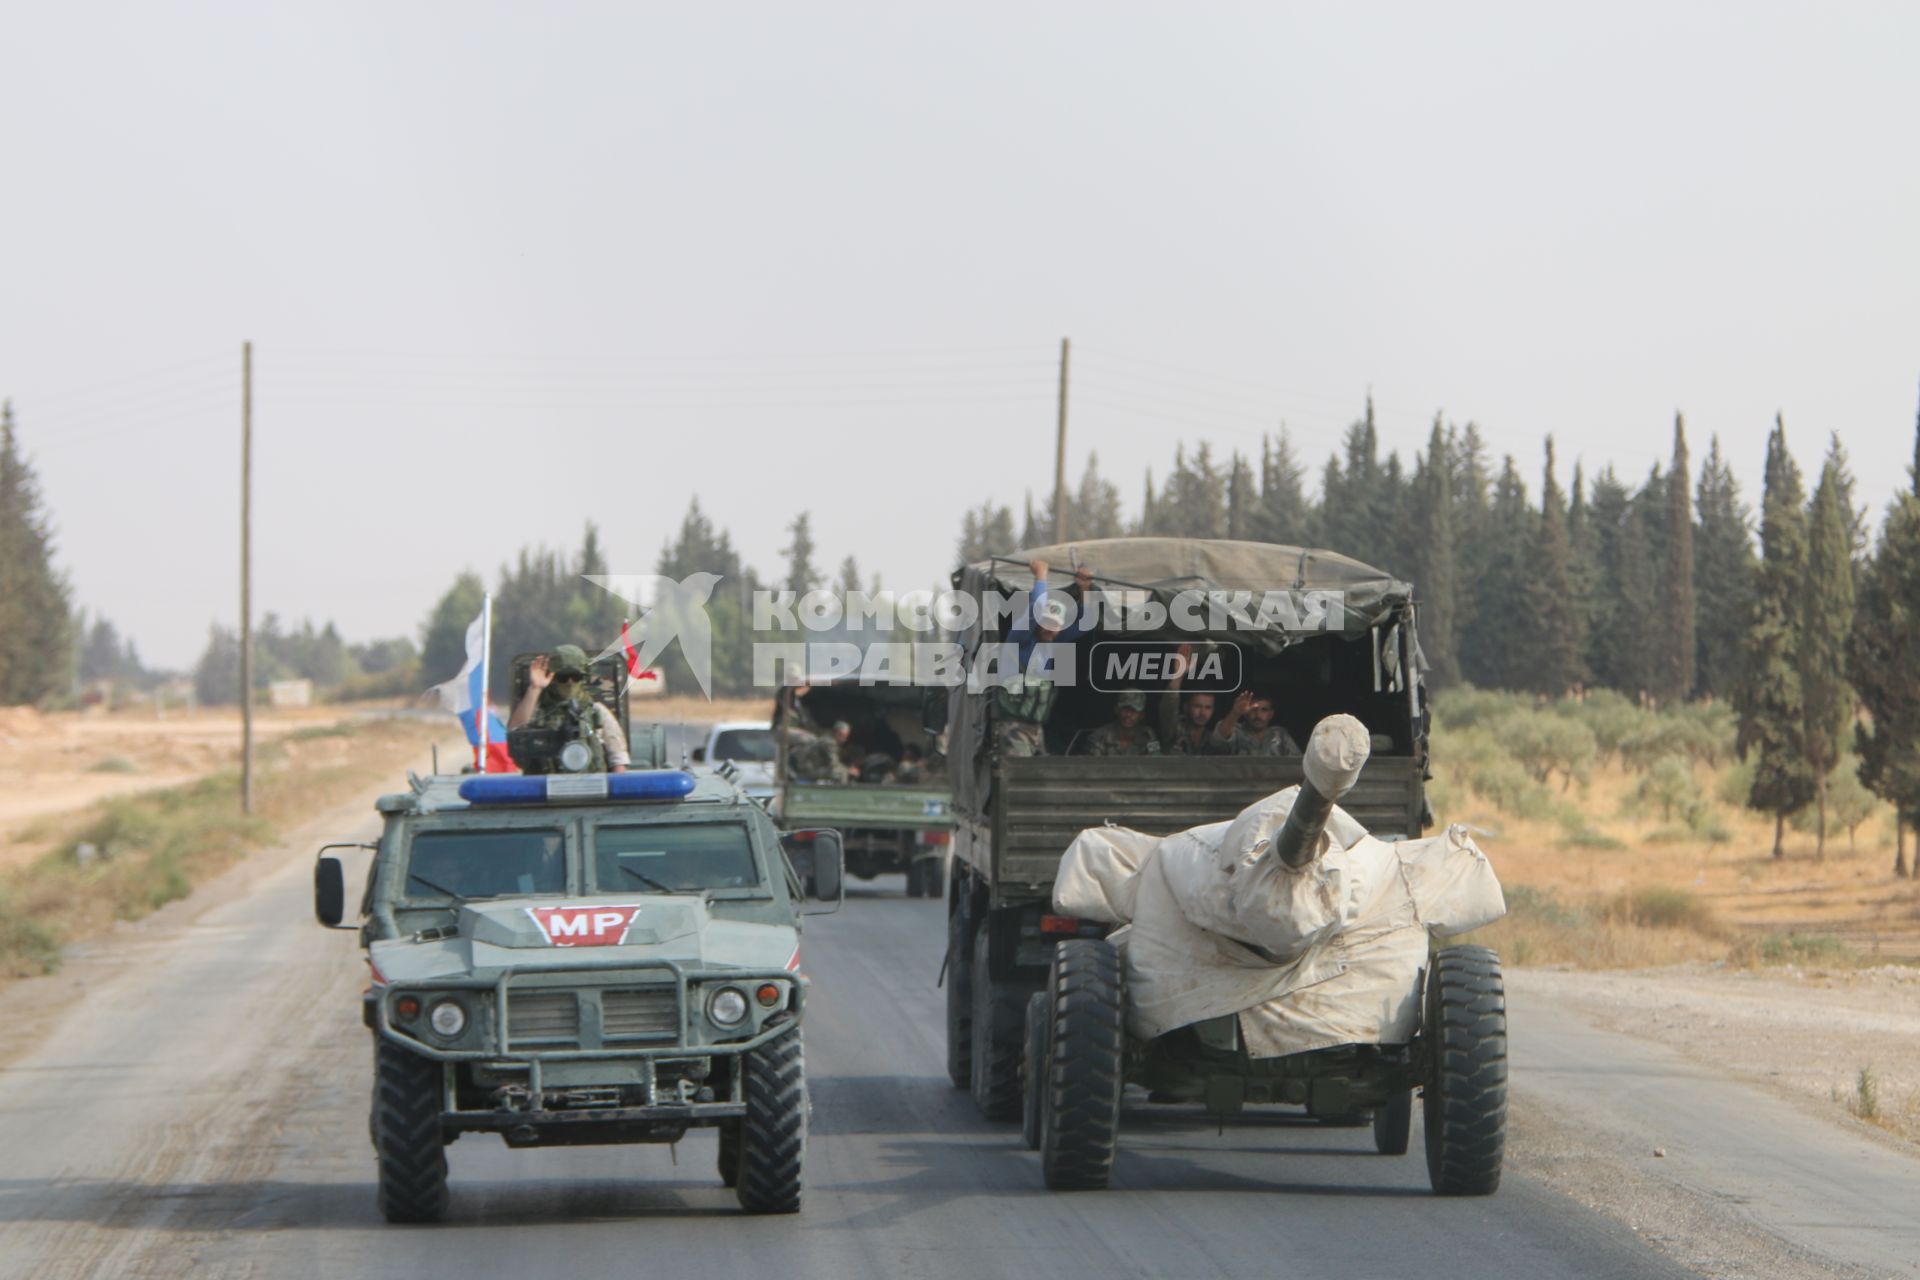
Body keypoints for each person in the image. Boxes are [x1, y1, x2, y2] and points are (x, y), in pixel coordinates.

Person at [997, 556, 1095, 757]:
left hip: (1036, 729)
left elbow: (1087, 623)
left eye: (1056, 625)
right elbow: (1036, 610)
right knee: (1021, 777)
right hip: (1013, 727)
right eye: (1047, 623)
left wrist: (1085, 588)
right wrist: (1041, 576)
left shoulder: (1052, 644)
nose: (1051, 629)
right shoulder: (1020, 640)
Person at [507, 644, 630, 771]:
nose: (570, 683)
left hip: (593, 786)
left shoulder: (597, 712)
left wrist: (615, 788)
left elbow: (618, 758)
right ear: (552, 678)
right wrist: (535, 688)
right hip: (543, 786)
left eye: (576, 677)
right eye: (563, 678)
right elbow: (515, 733)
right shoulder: (537, 711)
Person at [1219, 691, 1301, 756]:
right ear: (1245, 712)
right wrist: (1235, 713)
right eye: (1253, 709)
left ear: (1271, 714)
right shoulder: (1236, 730)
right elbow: (1218, 739)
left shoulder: (1280, 734)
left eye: (1264, 710)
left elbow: (1298, 763)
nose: (1258, 715)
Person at [1084, 691, 1160, 756]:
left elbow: (1157, 762)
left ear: (1141, 715)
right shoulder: (1099, 736)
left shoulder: (1148, 735)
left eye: (1134, 711)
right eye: (1125, 709)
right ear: (1116, 710)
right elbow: (1093, 768)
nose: (1128, 715)